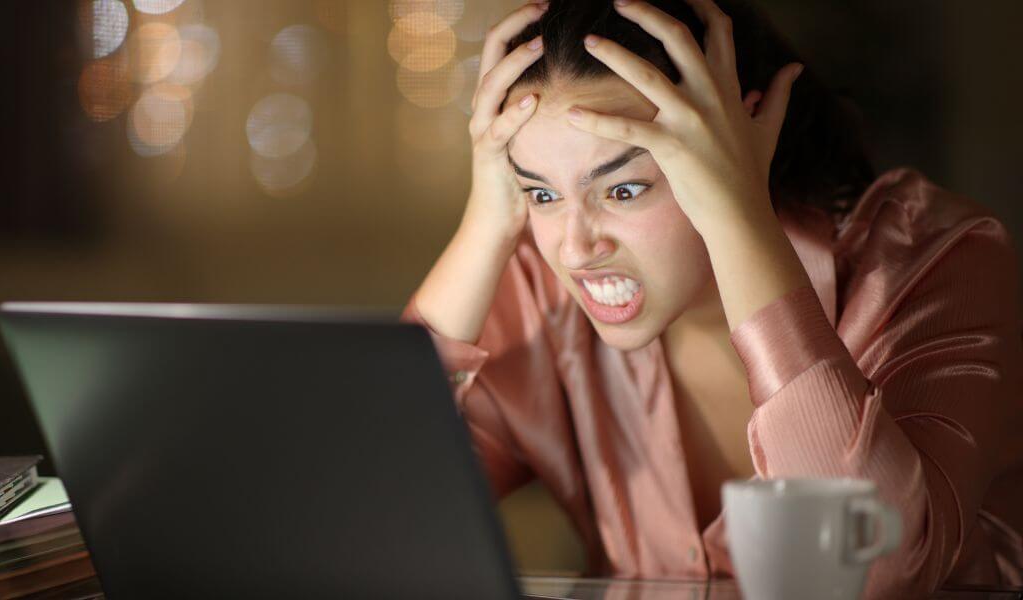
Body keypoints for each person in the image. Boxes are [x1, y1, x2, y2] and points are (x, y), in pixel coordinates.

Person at [399, 0, 1023, 596]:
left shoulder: (938, 259)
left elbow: (872, 576)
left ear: (734, 144)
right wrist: (483, 228)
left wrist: (736, 214)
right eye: (541, 193)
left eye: (623, 190)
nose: (574, 248)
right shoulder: (541, 295)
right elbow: (371, 513)